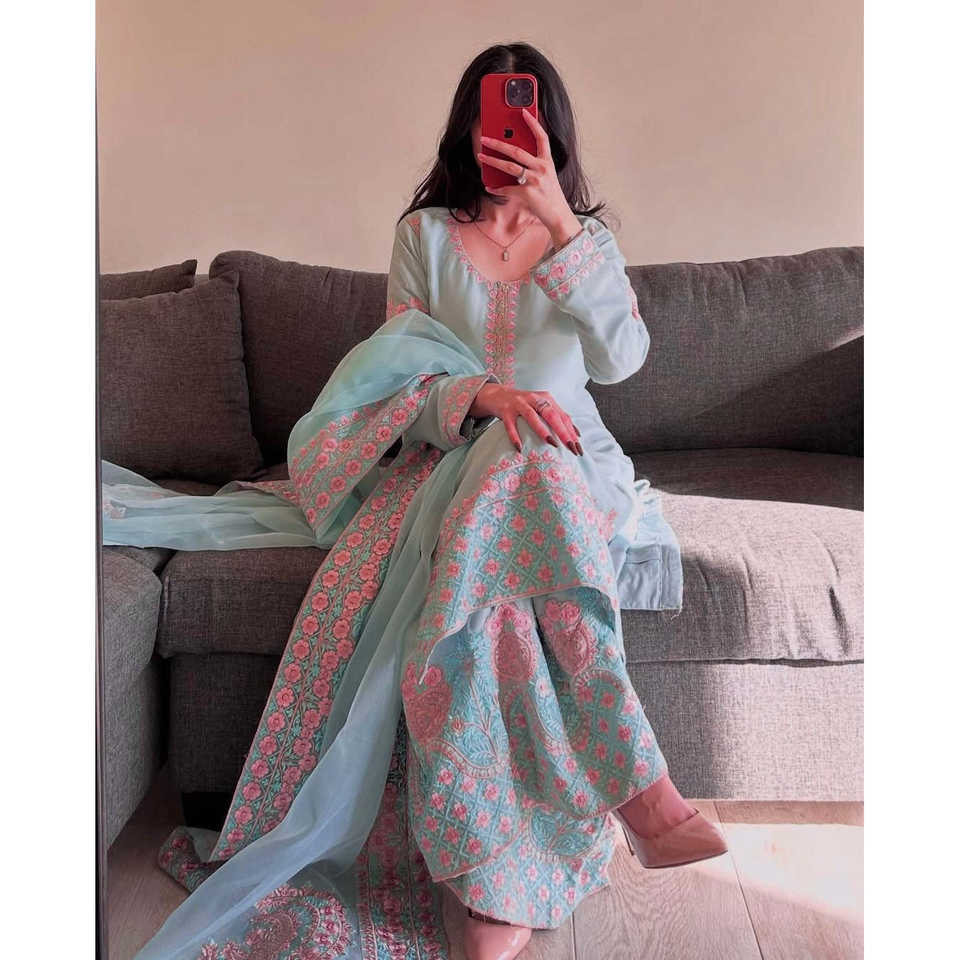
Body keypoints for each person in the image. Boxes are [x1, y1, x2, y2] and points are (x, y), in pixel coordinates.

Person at [105, 42, 725, 960]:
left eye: (521, 120)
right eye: (487, 119)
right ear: (465, 128)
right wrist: (486, 397)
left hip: (569, 470)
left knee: (526, 483)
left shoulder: (583, 241)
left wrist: (562, 224)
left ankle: (497, 887)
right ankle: (620, 800)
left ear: (550, 132)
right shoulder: (425, 238)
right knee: (503, 521)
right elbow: (391, 380)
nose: (500, 138)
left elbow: (622, 360)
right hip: (452, 461)